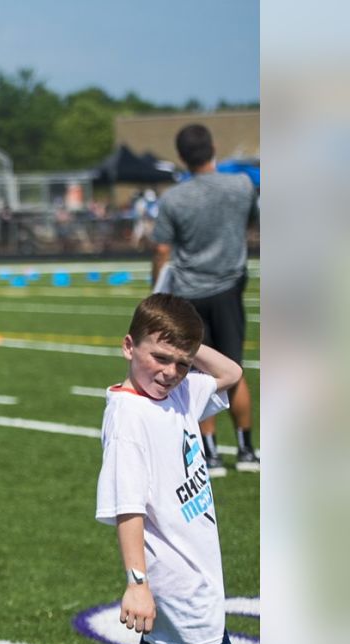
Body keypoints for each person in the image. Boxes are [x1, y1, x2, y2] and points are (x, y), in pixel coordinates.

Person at [69, 293, 243, 644]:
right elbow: (128, 507)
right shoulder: (129, 417)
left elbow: (232, 372)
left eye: (182, 363)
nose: (170, 372)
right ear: (129, 346)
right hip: (173, 573)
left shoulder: (180, 392)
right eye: (160, 357)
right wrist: (137, 583)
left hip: (198, 565)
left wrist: (185, 343)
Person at [152, 124, 260, 476]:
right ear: (213, 147)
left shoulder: (173, 199)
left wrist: (156, 292)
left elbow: (162, 249)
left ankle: (211, 453)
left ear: (181, 157)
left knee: (197, 373)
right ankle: (246, 449)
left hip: (188, 292)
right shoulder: (242, 186)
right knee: (234, 369)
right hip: (229, 287)